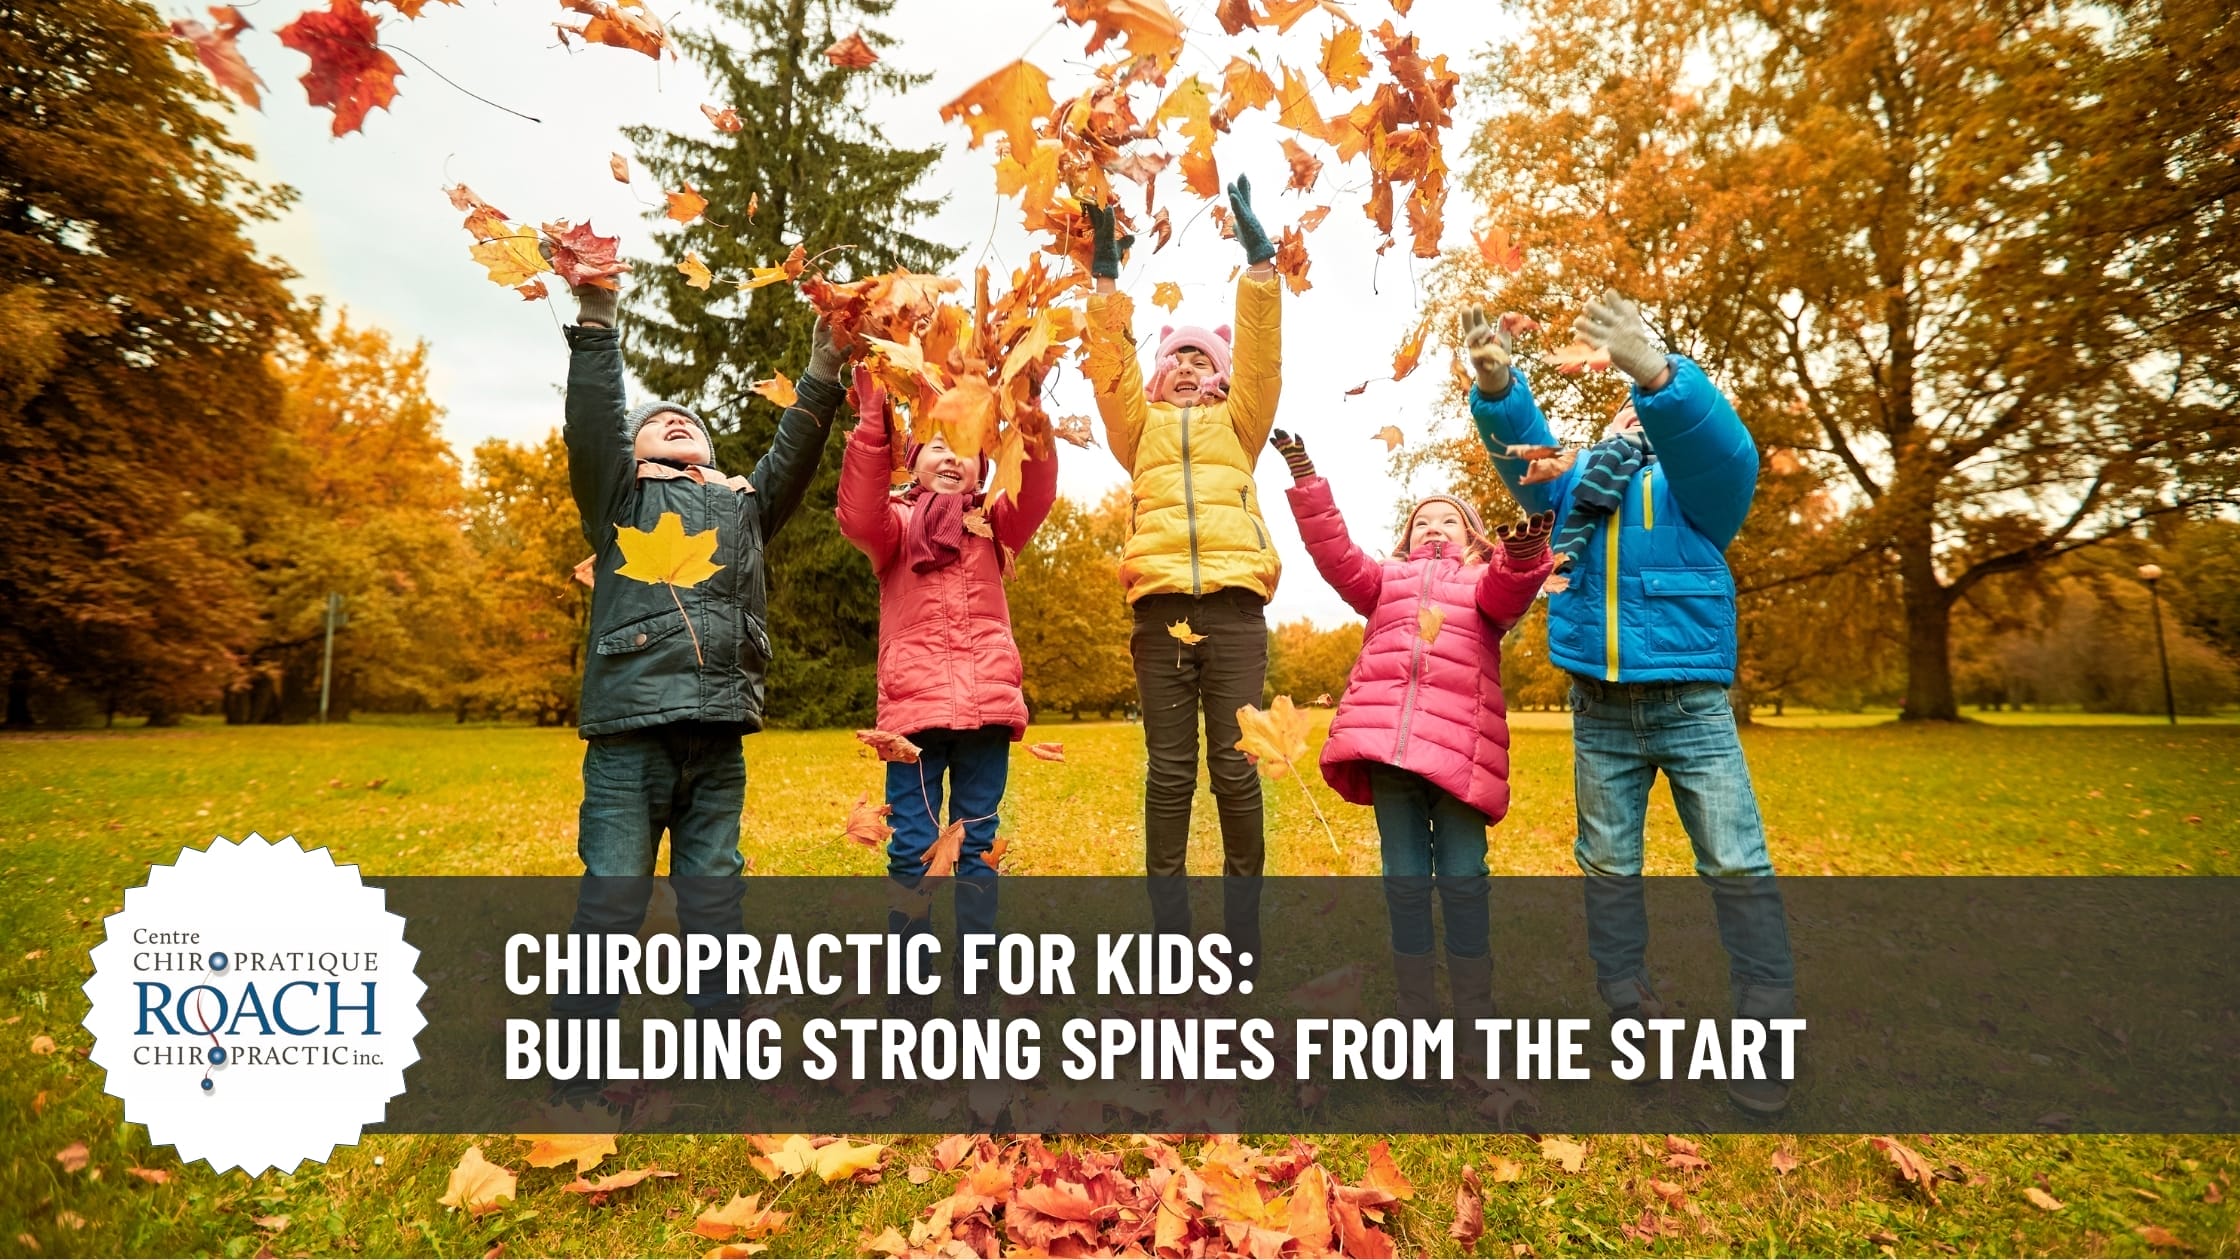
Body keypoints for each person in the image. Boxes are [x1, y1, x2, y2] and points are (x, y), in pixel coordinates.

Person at [1461, 290, 1798, 1115]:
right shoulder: (1573, 491)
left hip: (1692, 710)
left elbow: (1722, 449)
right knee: (1608, 867)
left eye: (1645, 403)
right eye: (1623, 404)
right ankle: (1629, 1007)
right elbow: (1522, 459)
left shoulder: (1701, 492)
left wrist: (1658, 374)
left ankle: (1762, 1024)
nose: (1630, 415)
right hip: (1600, 712)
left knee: (1734, 862)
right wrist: (1501, 391)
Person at [551, 262, 846, 1068]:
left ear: (714, 451)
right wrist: (597, 318)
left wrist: (823, 370)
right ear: (636, 451)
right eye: (661, 420)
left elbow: (795, 451)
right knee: (613, 894)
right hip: (629, 739)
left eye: (689, 420)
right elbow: (593, 421)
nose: (676, 420)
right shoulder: (620, 498)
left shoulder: (743, 507)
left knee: (715, 892)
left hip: (717, 738)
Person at [1271, 429, 1553, 1066]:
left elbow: (1512, 588)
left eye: (1448, 520)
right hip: (1392, 756)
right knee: (1403, 881)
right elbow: (1336, 554)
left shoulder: (1482, 584)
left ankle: (1474, 1013)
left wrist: (1524, 553)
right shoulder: (1385, 583)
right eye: (1422, 520)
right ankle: (1416, 1014)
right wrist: (1307, 477)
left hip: (1458, 756)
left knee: (1462, 878)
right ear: (1404, 538)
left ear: (1473, 538)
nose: (1434, 527)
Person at [1082, 177, 1285, 975]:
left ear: (1222, 372)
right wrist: (1106, 286)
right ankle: (1170, 941)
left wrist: (1260, 267)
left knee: (1236, 770)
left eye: (1206, 358)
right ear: (1159, 375)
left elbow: (1263, 364)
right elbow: (1111, 374)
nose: (1193, 367)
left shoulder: (1243, 424)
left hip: (1234, 610)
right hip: (1160, 610)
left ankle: (1240, 940)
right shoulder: (1138, 430)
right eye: (1179, 359)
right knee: (1171, 775)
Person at [834, 368, 1057, 1015]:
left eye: (965, 446)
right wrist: (875, 418)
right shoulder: (895, 529)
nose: (952, 457)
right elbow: (857, 509)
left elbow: (1037, 493)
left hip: (987, 708)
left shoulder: (995, 525)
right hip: (915, 716)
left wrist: (1030, 411)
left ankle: (978, 973)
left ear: (985, 464)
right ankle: (911, 979)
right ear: (914, 461)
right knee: (913, 843)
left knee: (977, 842)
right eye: (937, 444)